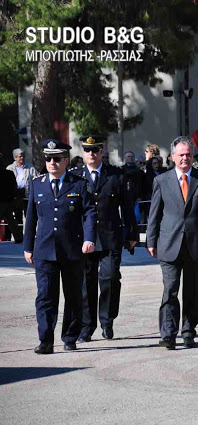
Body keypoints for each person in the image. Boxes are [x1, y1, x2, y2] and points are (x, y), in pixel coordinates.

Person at [146, 137, 198, 350]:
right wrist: (150, 240)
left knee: (193, 292)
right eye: (181, 155)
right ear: (172, 157)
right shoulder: (162, 181)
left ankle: (188, 331)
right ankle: (168, 334)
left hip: (197, 243)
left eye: (188, 154)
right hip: (169, 244)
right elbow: (154, 214)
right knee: (170, 290)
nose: (185, 158)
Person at [23, 139, 97, 354]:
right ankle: (45, 340)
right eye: (48, 159)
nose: (52, 162)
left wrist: (89, 238)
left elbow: (90, 213)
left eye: (56, 159)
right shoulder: (37, 184)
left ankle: (70, 336)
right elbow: (31, 219)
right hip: (45, 251)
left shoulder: (79, 184)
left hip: (72, 250)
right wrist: (28, 247)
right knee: (45, 297)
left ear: (65, 160)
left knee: (73, 295)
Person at [69, 135, 138, 342]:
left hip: (110, 237)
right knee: (85, 284)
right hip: (84, 239)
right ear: (83, 153)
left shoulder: (115, 176)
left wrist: (132, 233)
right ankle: (87, 326)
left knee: (109, 278)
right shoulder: (75, 177)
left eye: (95, 150)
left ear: (102, 152)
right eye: (88, 150)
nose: (91, 153)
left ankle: (107, 322)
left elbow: (127, 206)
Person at [6, 148, 37, 240]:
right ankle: (19, 236)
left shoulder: (30, 167)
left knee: (29, 214)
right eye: (19, 156)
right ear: (15, 158)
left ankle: (29, 235)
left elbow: (36, 178)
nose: (21, 158)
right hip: (15, 194)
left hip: (26, 192)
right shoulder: (10, 168)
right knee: (17, 215)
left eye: (22, 156)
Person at [0, 153, 23, 243]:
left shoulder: (8, 174)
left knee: (11, 220)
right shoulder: (9, 173)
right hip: (8, 200)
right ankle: (18, 237)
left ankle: (18, 236)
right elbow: (14, 187)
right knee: (11, 220)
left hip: (3, 200)